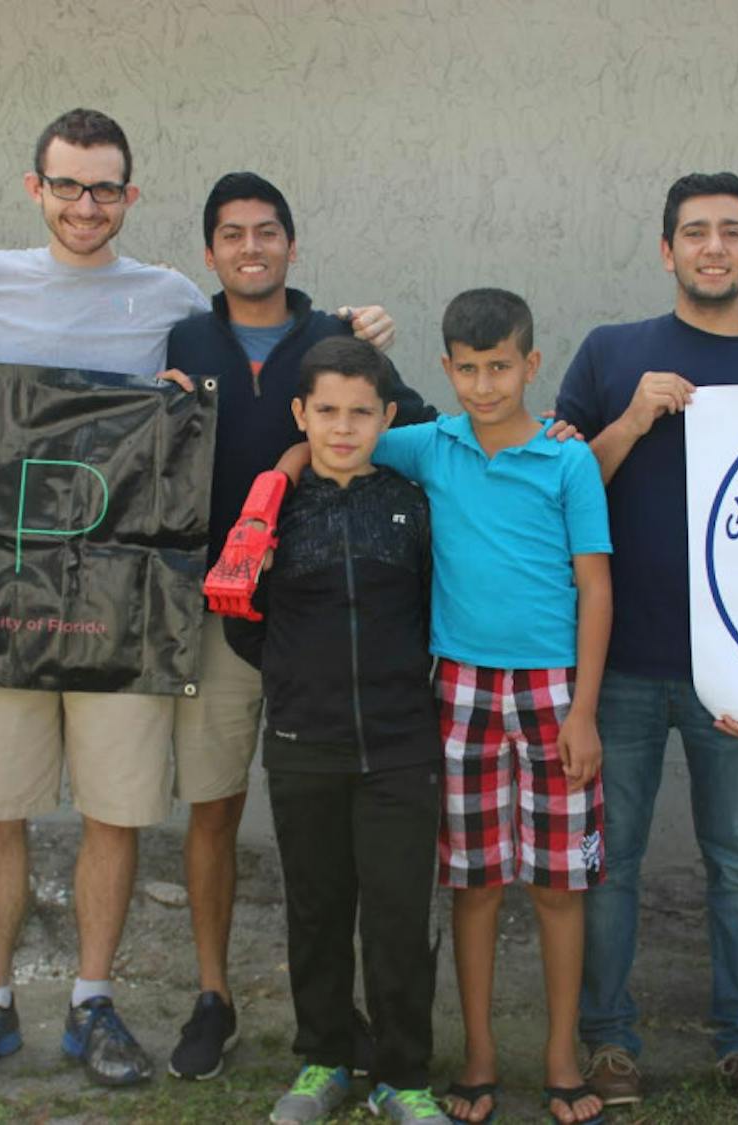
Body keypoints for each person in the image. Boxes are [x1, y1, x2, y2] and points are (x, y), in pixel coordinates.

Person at [0, 109, 395, 1090]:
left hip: (127, 599)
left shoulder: (174, 304)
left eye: (104, 188)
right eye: (67, 185)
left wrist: (361, 338)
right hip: (3, 593)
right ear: (34, 188)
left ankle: (94, 1002)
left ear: (131, 197)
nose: (85, 204)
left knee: (116, 807)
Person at [554, 172, 738, 1115]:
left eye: (732, 232)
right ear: (667, 250)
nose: (714, 247)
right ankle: (610, 1040)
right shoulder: (611, 353)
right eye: (696, 232)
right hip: (620, 660)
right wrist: (631, 417)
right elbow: (559, 488)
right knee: (610, 861)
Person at [160, 172, 427, 1081]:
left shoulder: (338, 340)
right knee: (214, 803)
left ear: (292, 245)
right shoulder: (184, 339)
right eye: (231, 234)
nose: (250, 246)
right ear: (211, 251)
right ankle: (213, 996)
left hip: (337, 630)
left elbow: (422, 436)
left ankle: (370, 1037)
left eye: (266, 231)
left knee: (349, 853)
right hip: (223, 613)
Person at [371, 289, 612, 1125]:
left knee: (557, 885)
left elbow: (595, 585)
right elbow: (336, 430)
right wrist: (284, 469)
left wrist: (583, 710)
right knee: (473, 883)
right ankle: (477, 1055)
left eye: (499, 367)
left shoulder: (567, 460)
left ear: (531, 365)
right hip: (462, 687)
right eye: (467, 370)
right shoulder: (430, 445)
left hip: (552, 689)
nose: (483, 386)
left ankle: (560, 1056)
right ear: (445, 369)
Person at [256, 337, 446, 1125]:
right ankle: (325, 1058)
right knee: (317, 907)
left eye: (360, 412)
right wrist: (295, 684)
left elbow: (439, 602)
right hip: (306, 741)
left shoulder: (412, 502)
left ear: (387, 416)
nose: (342, 427)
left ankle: (404, 1075)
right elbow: (245, 619)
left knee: (400, 914)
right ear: (301, 414)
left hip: (402, 743)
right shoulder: (273, 508)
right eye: (326, 411)